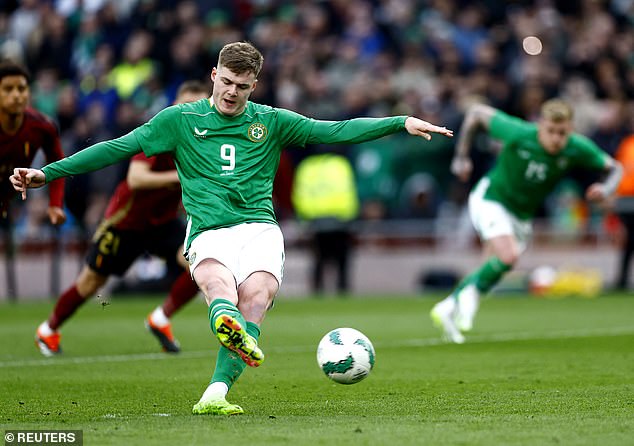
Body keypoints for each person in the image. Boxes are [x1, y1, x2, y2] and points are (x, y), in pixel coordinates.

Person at [10, 41, 453, 415]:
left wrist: (400, 122)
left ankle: (216, 392)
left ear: (254, 85)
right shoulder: (179, 120)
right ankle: (224, 319)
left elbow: (335, 130)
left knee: (257, 297)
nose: (231, 93)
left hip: (259, 228)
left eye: (242, 86)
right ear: (213, 74)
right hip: (207, 230)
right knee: (220, 285)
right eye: (226, 82)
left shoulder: (272, 121)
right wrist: (47, 173)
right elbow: (115, 148)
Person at [34, 80, 209, 357]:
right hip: (125, 223)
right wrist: (181, 177)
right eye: (185, 105)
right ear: (174, 104)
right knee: (91, 283)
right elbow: (136, 178)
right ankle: (48, 329)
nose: (191, 112)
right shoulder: (161, 131)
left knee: (201, 266)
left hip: (163, 222)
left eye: (198, 106)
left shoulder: (202, 143)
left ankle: (160, 319)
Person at [430, 99, 623, 344]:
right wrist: (461, 156)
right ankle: (464, 299)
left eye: (562, 133)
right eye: (551, 131)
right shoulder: (519, 132)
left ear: (570, 130)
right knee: (508, 256)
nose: (556, 139)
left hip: (521, 215)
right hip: (492, 198)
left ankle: (449, 306)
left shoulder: (576, 147)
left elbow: (615, 168)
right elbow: (476, 112)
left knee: (497, 265)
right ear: (540, 126)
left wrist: (606, 188)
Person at [0, 60, 66, 299]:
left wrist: (55, 204)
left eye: (22, 88)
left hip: (19, 194)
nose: (17, 95)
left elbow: (59, 166)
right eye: (8, 89)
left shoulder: (42, 127)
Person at [291, 152, 359, 295]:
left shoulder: (307, 166)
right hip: (340, 220)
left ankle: (317, 292)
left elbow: (300, 194)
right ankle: (343, 291)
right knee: (342, 261)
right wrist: (351, 217)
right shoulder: (341, 164)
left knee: (319, 260)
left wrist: (303, 219)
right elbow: (349, 192)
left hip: (315, 221)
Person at [612, 134, 634, 290]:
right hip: (626, 200)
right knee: (628, 241)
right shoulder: (627, 143)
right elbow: (619, 169)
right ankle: (622, 280)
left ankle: (622, 280)